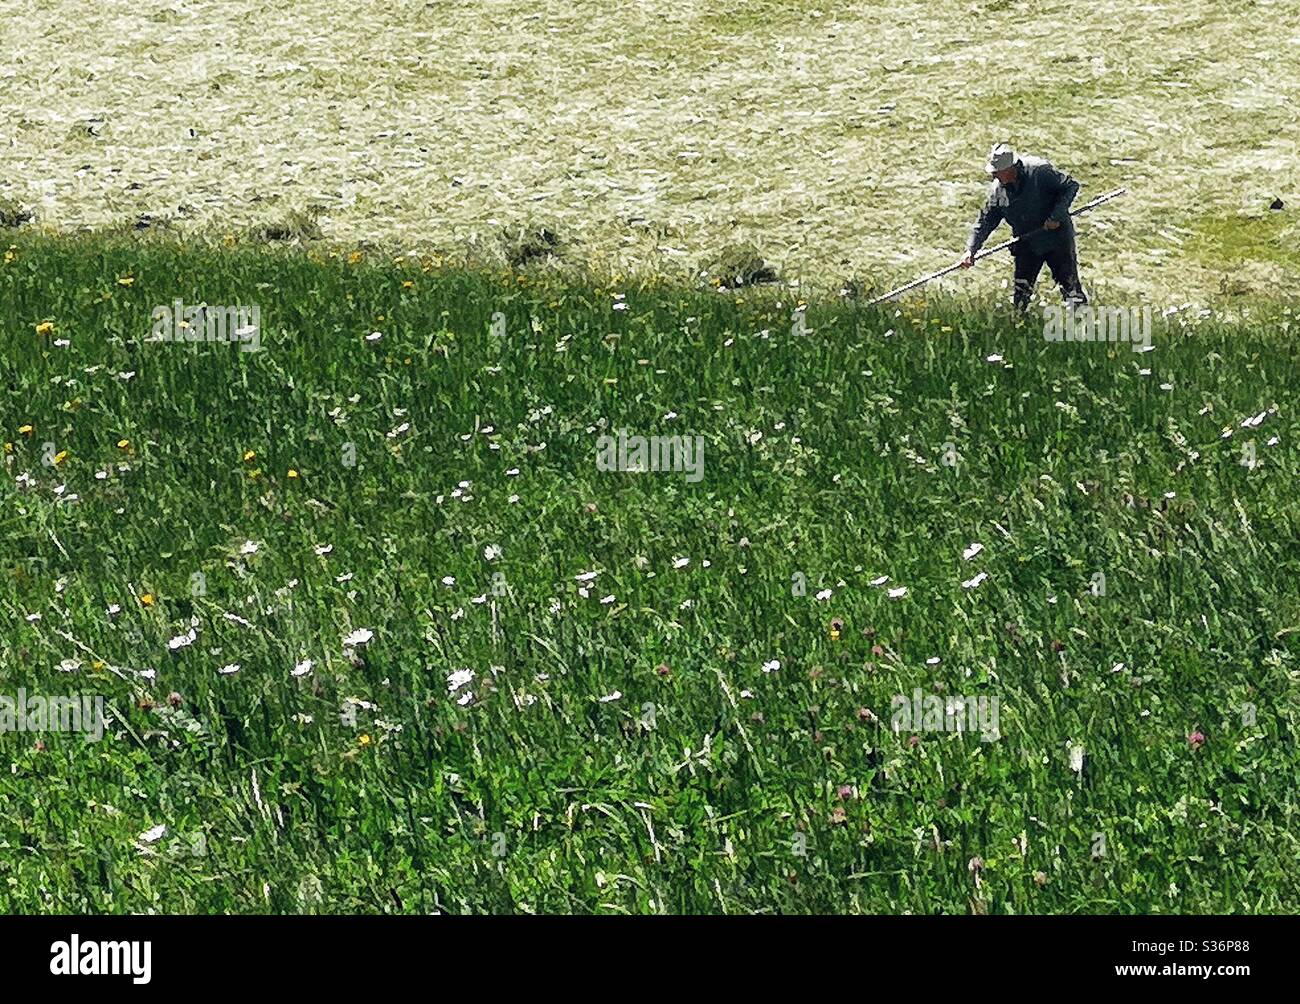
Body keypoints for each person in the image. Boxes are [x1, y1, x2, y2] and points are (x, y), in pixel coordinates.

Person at [960, 143, 1088, 310]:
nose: (994, 176)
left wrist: (1056, 216)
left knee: (1069, 284)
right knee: (1021, 291)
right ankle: (1019, 325)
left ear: (1010, 169)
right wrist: (971, 249)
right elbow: (985, 221)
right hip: (1026, 242)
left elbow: (1071, 186)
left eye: (997, 172)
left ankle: (1082, 320)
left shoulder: (1041, 172)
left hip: (1057, 239)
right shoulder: (997, 192)